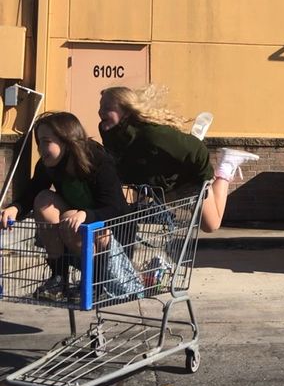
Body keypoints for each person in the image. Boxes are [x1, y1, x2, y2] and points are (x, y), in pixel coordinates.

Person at [0, 111, 129, 301]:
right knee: (43, 199)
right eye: (39, 142)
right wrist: (15, 208)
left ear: (66, 140)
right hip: (77, 233)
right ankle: (59, 278)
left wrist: (85, 215)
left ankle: (94, 280)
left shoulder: (99, 160)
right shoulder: (48, 165)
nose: (41, 148)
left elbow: (116, 208)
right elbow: (33, 192)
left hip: (112, 235)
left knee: (71, 218)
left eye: (46, 141)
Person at [98, 85, 259, 232]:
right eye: (100, 107)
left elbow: (198, 151)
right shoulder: (108, 132)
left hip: (187, 177)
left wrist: (205, 179)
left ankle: (227, 164)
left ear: (126, 111)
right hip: (165, 185)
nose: (100, 112)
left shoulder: (153, 135)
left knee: (211, 225)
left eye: (107, 108)